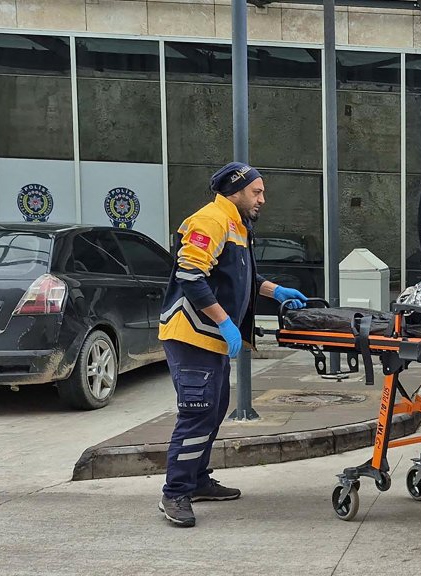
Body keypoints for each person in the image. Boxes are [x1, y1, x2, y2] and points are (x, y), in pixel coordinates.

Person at [157, 161, 310, 528]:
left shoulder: (237, 226)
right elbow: (190, 276)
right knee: (197, 412)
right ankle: (174, 492)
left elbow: (241, 276)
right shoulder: (210, 220)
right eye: (256, 191)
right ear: (236, 190)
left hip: (211, 340)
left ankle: (197, 481)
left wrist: (276, 291)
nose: (262, 199)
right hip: (192, 335)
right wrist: (224, 321)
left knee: (214, 409)